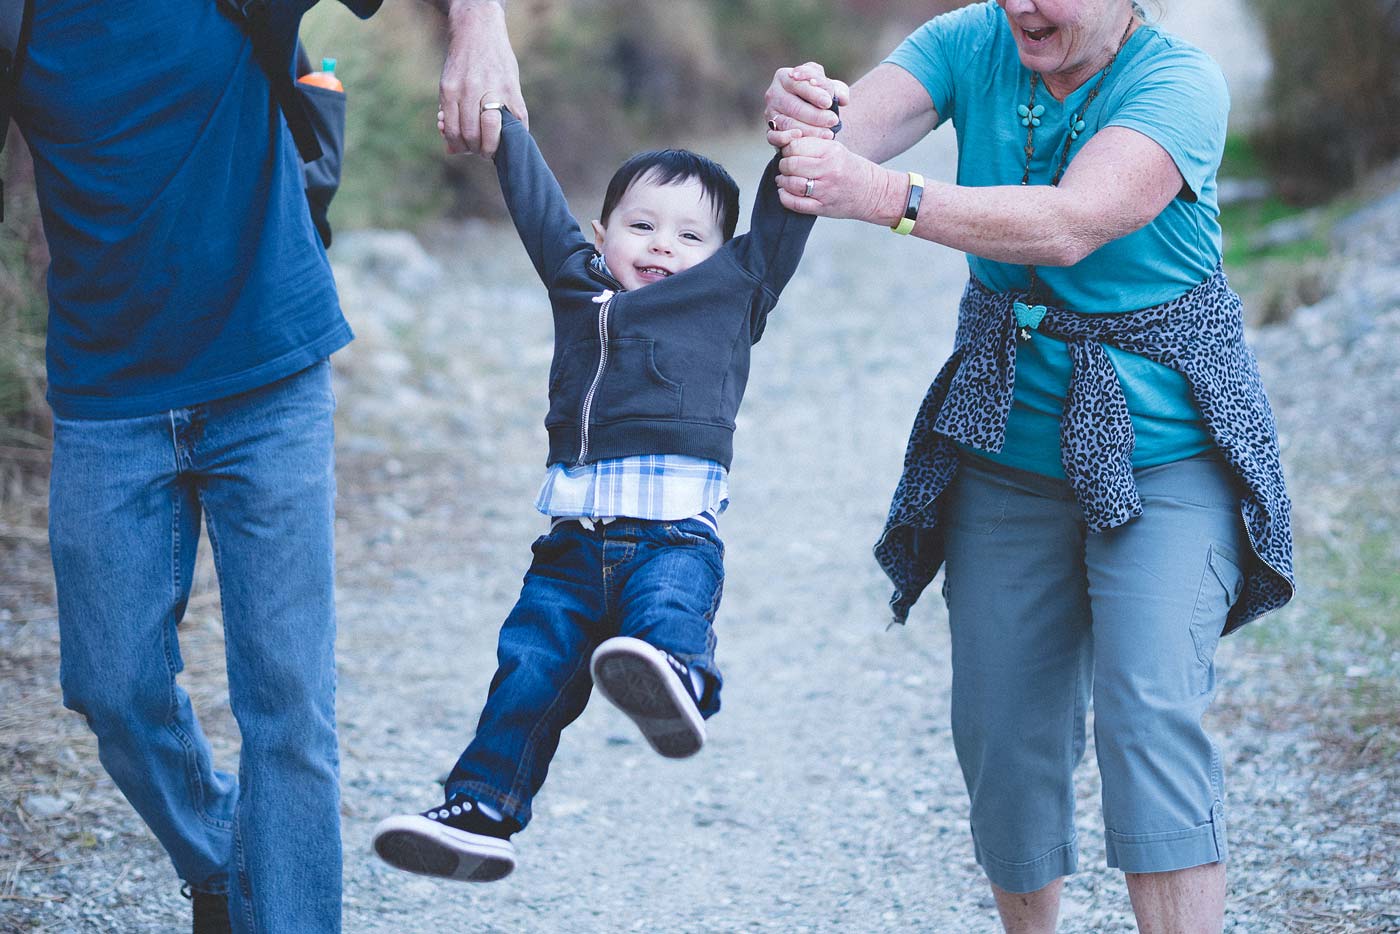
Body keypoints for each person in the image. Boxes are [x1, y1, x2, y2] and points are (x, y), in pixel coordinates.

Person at [762, 1, 1294, 931]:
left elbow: (1070, 224)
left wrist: (886, 197)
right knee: (1003, 741)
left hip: (1167, 460)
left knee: (1147, 721)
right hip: (1007, 453)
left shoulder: (1177, 80)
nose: (1025, 5)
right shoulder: (971, 39)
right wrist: (807, 119)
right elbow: (855, 135)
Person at [11, 0, 524, 930]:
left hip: (269, 375)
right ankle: (219, 856)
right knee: (109, 686)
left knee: (287, 702)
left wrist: (479, 26)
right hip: (107, 394)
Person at [370, 104, 819, 884]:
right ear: (602, 232)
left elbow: (784, 216)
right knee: (526, 673)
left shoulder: (734, 291)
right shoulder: (581, 289)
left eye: (689, 236)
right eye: (641, 226)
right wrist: (503, 126)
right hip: (570, 547)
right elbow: (537, 207)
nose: (662, 246)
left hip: (674, 534)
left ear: (722, 254)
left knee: (665, 619)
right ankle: (481, 810)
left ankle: (678, 680)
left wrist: (802, 137)